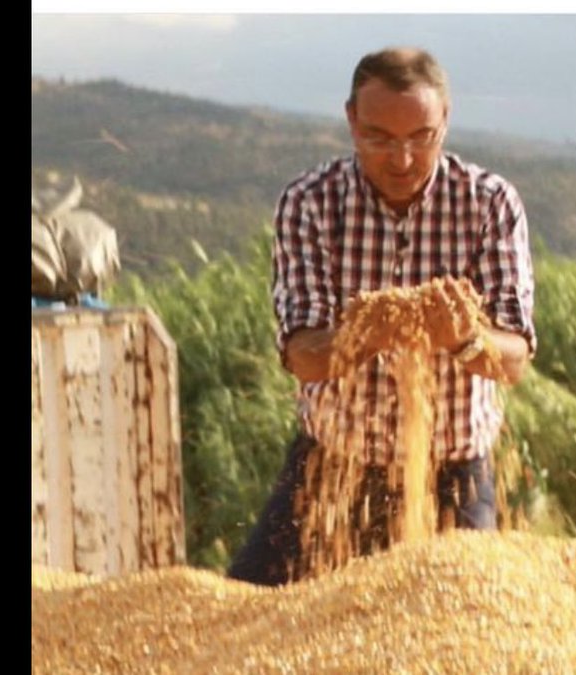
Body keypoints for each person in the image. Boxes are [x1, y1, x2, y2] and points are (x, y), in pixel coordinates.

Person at [228, 46, 537, 586]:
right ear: (351, 121)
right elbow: (303, 357)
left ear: (446, 120)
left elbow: (513, 360)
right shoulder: (310, 204)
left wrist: (464, 339)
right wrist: (367, 333)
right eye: (380, 138)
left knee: (471, 628)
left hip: (454, 474)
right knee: (249, 607)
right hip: (333, 464)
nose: (402, 159)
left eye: (422, 137)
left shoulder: (490, 203)